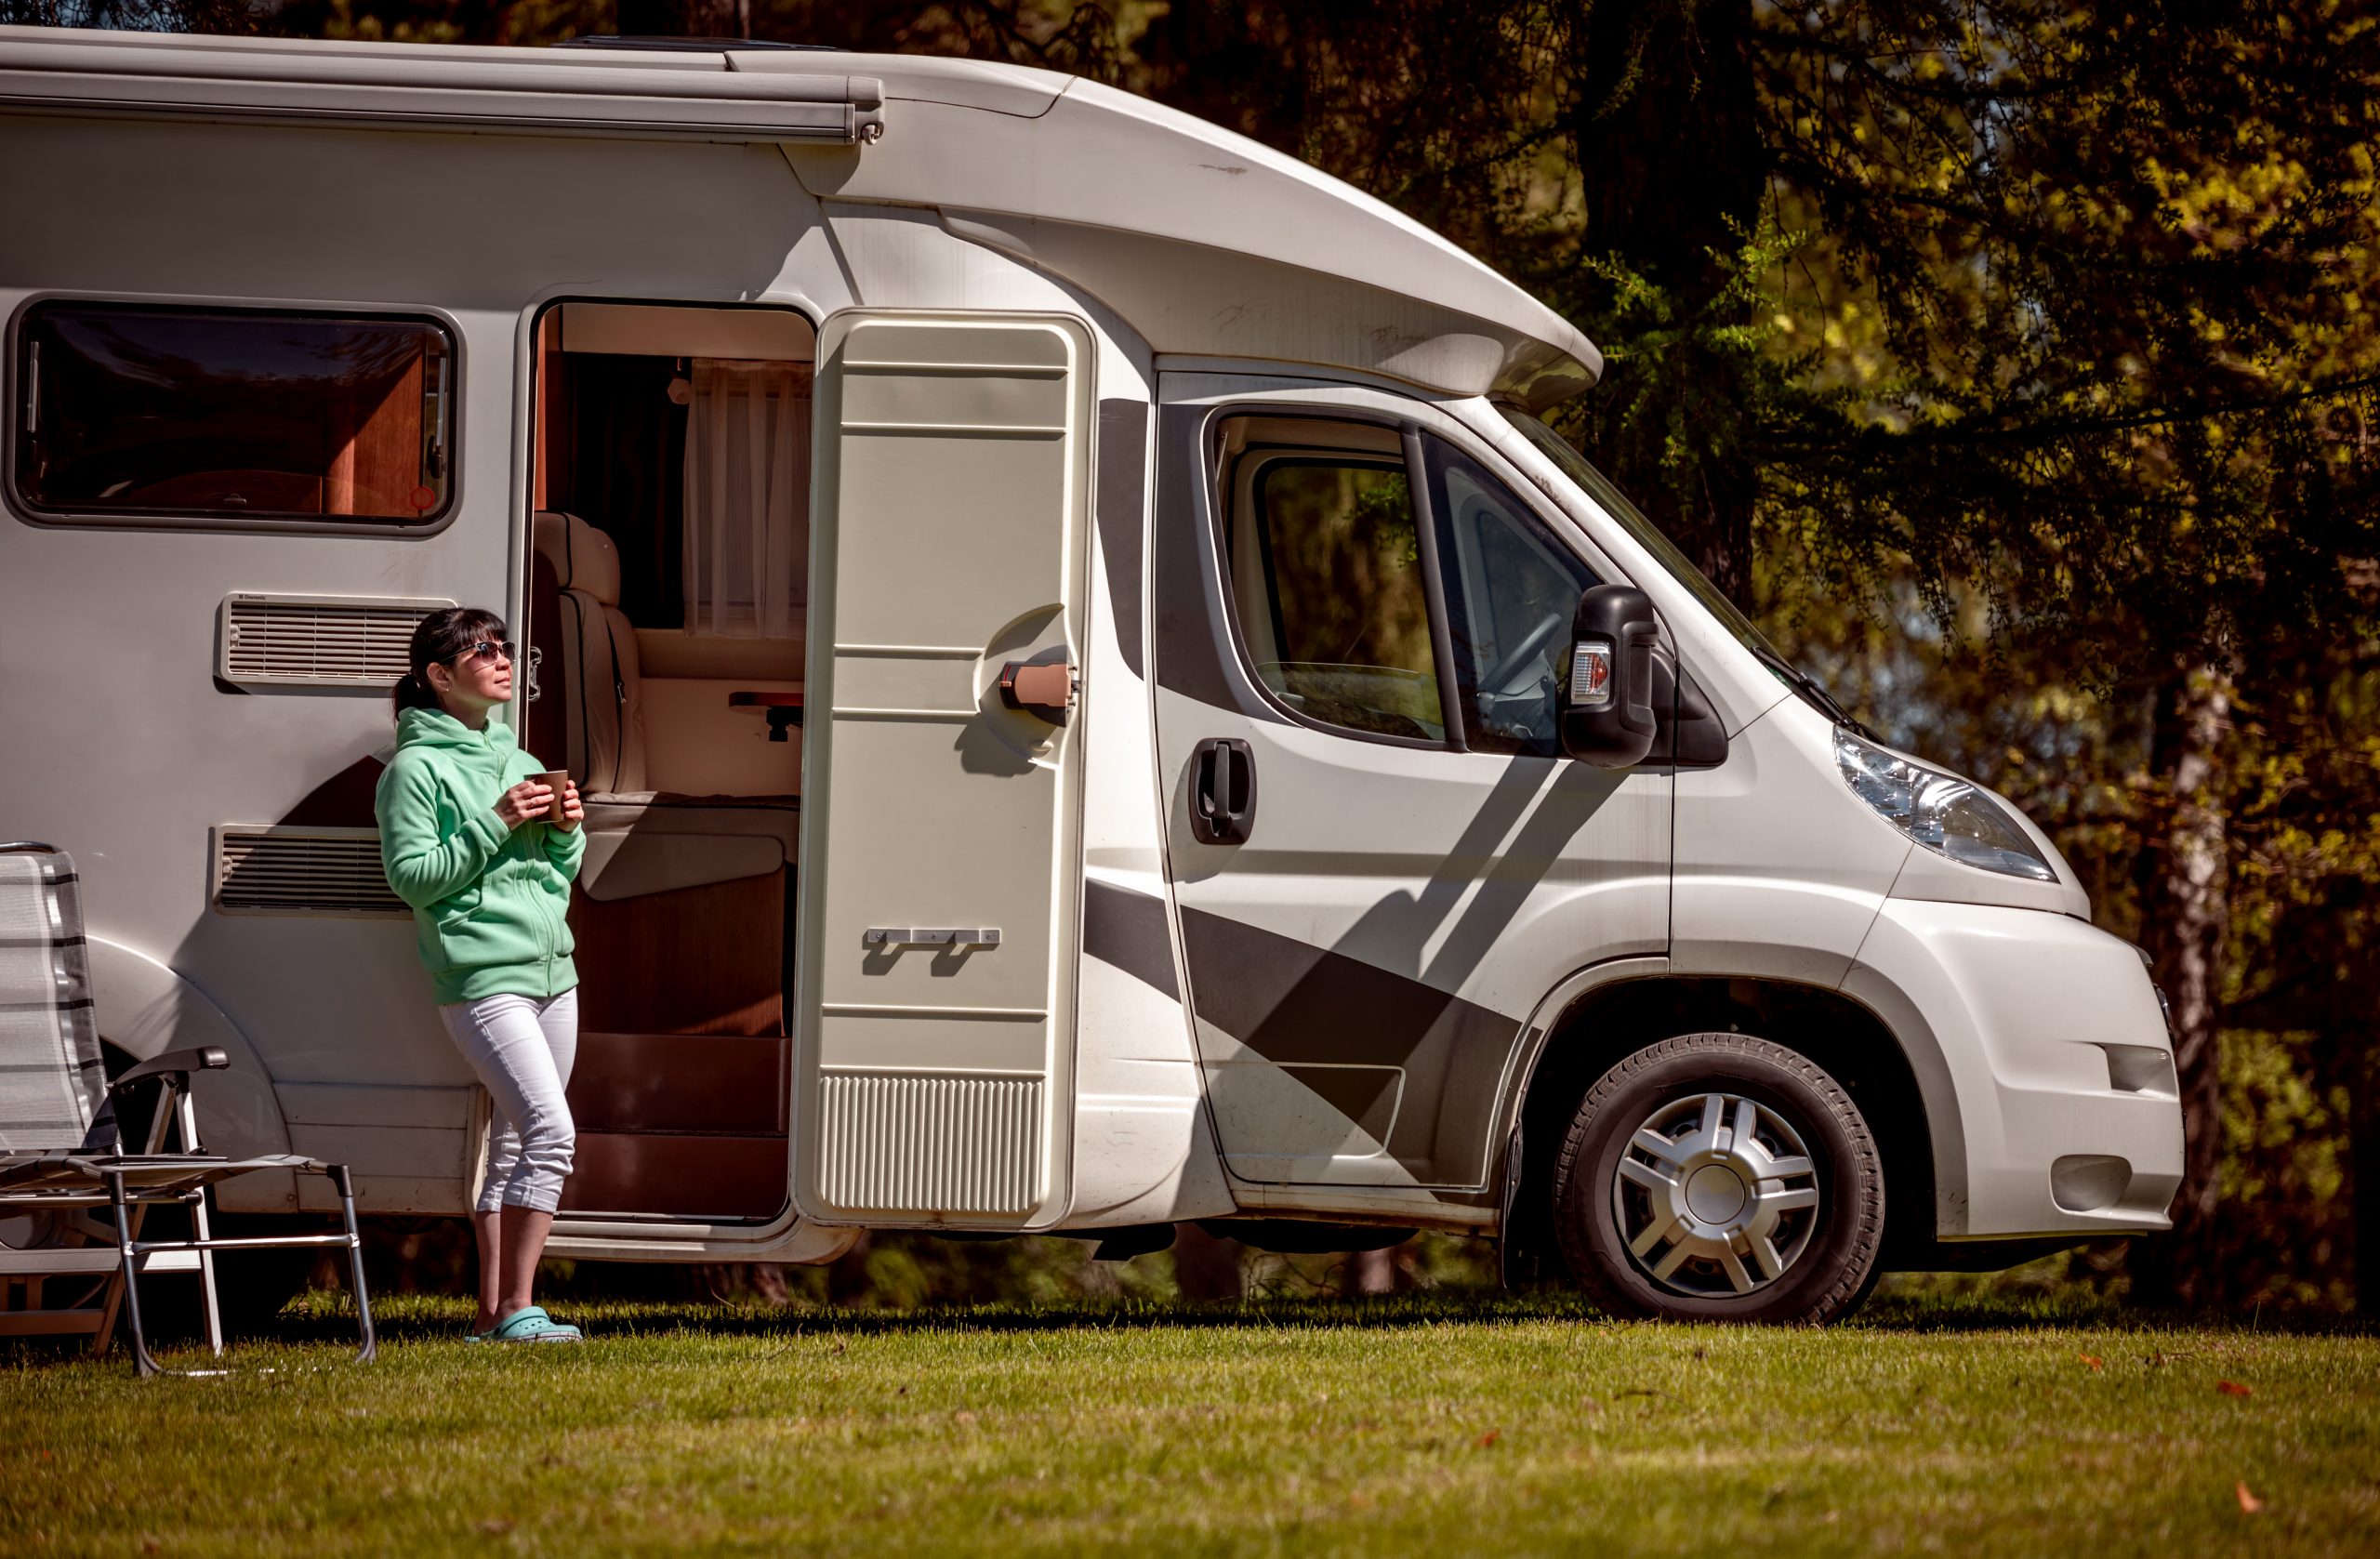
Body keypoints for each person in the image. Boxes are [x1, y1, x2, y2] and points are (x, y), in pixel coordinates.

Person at [375, 607, 588, 1343]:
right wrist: (495, 820)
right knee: (551, 1131)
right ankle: (526, 1307)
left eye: (504, 647)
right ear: (439, 676)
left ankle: (493, 1316)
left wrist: (565, 829)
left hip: (554, 973)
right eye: (482, 650)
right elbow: (413, 878)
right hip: (481, 981)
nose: (503, 659)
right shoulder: (413, 769)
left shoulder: (522, 760)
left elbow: (558, 876)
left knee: (510, 1143)